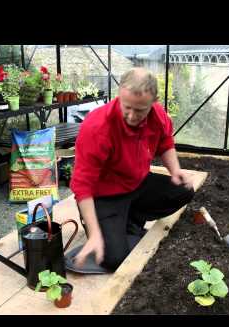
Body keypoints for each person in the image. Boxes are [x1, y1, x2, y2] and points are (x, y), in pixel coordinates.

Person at [70, 67, 196, 271]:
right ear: (119, 95)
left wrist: (175, 170)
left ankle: (132, 218)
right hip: (105, 196)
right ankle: (102, 224)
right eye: (126, 106)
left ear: (153, 103)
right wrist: (93, 234)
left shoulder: (157, 115)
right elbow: (82, 185)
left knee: (184, 191)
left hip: (137, 184)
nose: (130, 116)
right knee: (114, 260)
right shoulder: (97, 126)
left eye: (140, 110)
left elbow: (165, 141)